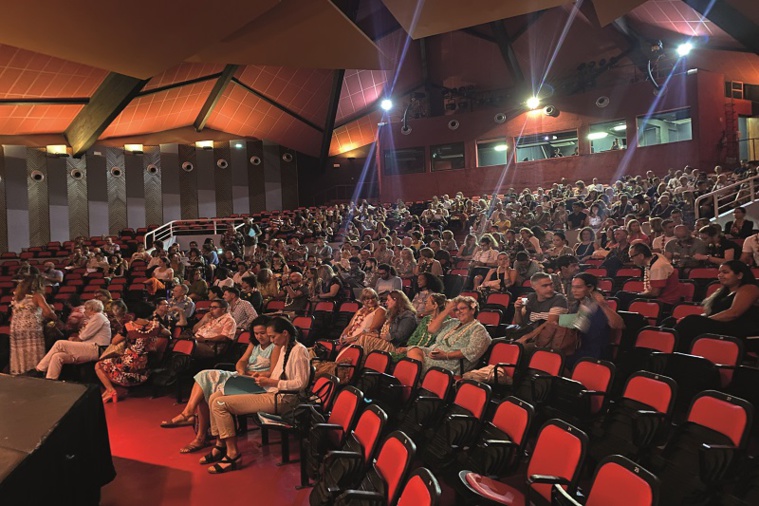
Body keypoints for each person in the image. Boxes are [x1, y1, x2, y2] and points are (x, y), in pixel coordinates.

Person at [201, 317, 310, 474]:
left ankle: (233, 454)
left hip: (285, 398)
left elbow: (301, 384)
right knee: (214, 397)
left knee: (220, 404)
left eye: (273, 336)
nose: (271, 340)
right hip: (272, 391)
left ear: (285, 333)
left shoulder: (299, 350)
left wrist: (272, 382)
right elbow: (277, 375)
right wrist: (264, 380)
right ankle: (220, 444)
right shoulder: (285, 347)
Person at [163, 316, 276, 450]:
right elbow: (242, 361)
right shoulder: (254, 344)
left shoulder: (275, 346)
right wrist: (241, 369)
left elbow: (271, 372)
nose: (259, 337)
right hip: (241, 376)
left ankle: (197, 431)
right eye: (256, 333)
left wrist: (248, 373)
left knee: (208, 385)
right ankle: (190, 416)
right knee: (204, 377)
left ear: (269, 331)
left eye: (262, 333)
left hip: (256, 381)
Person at [674, 261, 759, 351]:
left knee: (691, 322)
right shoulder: (723, 292)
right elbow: (712, 314)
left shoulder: (750, 288)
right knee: (672, 321)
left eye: (725, 272)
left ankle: (675, 356)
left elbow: (733, 313)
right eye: (719, 272)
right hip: (722, 326)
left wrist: (703, 320)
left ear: (739, 275)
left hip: (740, 330)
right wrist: (698, 318)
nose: (720, 275)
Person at [95, 304, 171, 402]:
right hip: (148, 362)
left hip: (129, 362)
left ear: (134, 314)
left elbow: (114, 342)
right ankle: (110, 391)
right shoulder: (156, 325)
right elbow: (168, 333)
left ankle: (111, 390)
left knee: (98, 365)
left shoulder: (129, 327)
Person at [406, 295, 491, 373]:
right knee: (413, 350)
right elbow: (431, 330)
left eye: (462, 308)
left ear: (472, 310)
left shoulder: (478, 329)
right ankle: (416, 382)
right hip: (434, 354)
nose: (459, 312)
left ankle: (416, 383)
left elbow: (472, 351)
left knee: (411, 364)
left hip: (453, 362)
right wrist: (447, 310)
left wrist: (446, 355)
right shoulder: (453, 322)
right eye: (456, 309)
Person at [35, 299, 111, 380]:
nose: (84, 311)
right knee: (57, 356)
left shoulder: (98, 316)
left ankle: (39, 370)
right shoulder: (95, 318)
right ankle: (50, 380)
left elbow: (83, 336)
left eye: (86, 309)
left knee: (60, 344)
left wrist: (73, 340)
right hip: (90, 347)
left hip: (97, 348)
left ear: (92, 309)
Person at [564, 273, 624, 368]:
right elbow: (569, 326)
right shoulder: (575, 306)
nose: (573, 291)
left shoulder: (600, 306)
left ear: (590, 288)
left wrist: (603, 305)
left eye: (578, 287)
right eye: (573, 287)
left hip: (596, 352)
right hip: (576, 348)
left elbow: (618, 325)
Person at [10, 271, 57, 375]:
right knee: (33, 350)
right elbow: (48, 312)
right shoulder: (37, 295)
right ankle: (34, 372)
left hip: (16, 326)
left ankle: (20, 371)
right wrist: (55, 317)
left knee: (20, 351)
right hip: (30, 326)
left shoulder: (18, 297)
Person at [615, 243, 685, 310]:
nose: (631, 260)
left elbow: (655, 293)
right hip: (659, 299)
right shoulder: (653, 258)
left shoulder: (657, 266)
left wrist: (638, 294)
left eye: (632, 257)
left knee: (622, 296)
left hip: (665, 302)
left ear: (641, 256)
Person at [350, 290, 418, 356]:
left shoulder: (408, 316)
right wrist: (377, 334)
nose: (386, 302)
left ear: (395, 300)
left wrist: (386, 336)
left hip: (395, 346)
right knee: (365, 337)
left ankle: (353, 363)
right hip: (386, 341)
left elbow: (401, 336)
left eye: (388, 300)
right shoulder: (393, 314)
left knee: (364, 339)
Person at [511, 272, 569, 349]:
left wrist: (526, 337)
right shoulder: (530, 297)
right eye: (544, 286)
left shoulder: (559, 299)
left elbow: (550, 323)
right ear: (534, 287)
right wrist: (517, 310)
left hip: (547, 339)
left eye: (551, 284)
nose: (550, 288)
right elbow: (519, 323)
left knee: (517, 348)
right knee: (496, 344)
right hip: (529, 334)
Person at [391, 293, 447, 361]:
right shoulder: (426, 319)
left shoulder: (446, 322)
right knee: (389, 356)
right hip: (411, 349)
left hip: (425, 354)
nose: (424, 305)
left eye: (426, 303)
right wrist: (407, 348)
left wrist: (410, 349)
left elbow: (436, 343)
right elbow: (414, 336)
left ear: (435, 305)